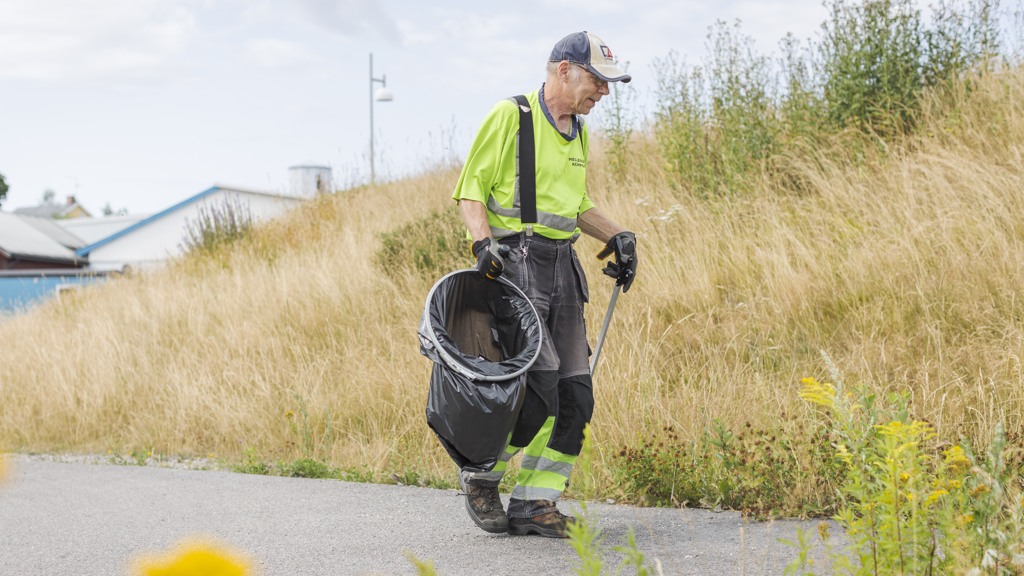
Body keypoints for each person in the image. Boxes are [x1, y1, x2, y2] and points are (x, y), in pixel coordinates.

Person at [451, 31, 638, 538]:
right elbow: (471, 187)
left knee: (576, 396)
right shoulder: (512, 115)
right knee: (541, 385)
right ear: (563, 71)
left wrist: (618, 234)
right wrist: (482, 242)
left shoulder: (576, 130)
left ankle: (535, 503)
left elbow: (573, 204)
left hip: (562, 267)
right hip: (518, 265)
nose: (603, 92)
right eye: (597, 81)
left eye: (607, 83)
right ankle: (482, 475)